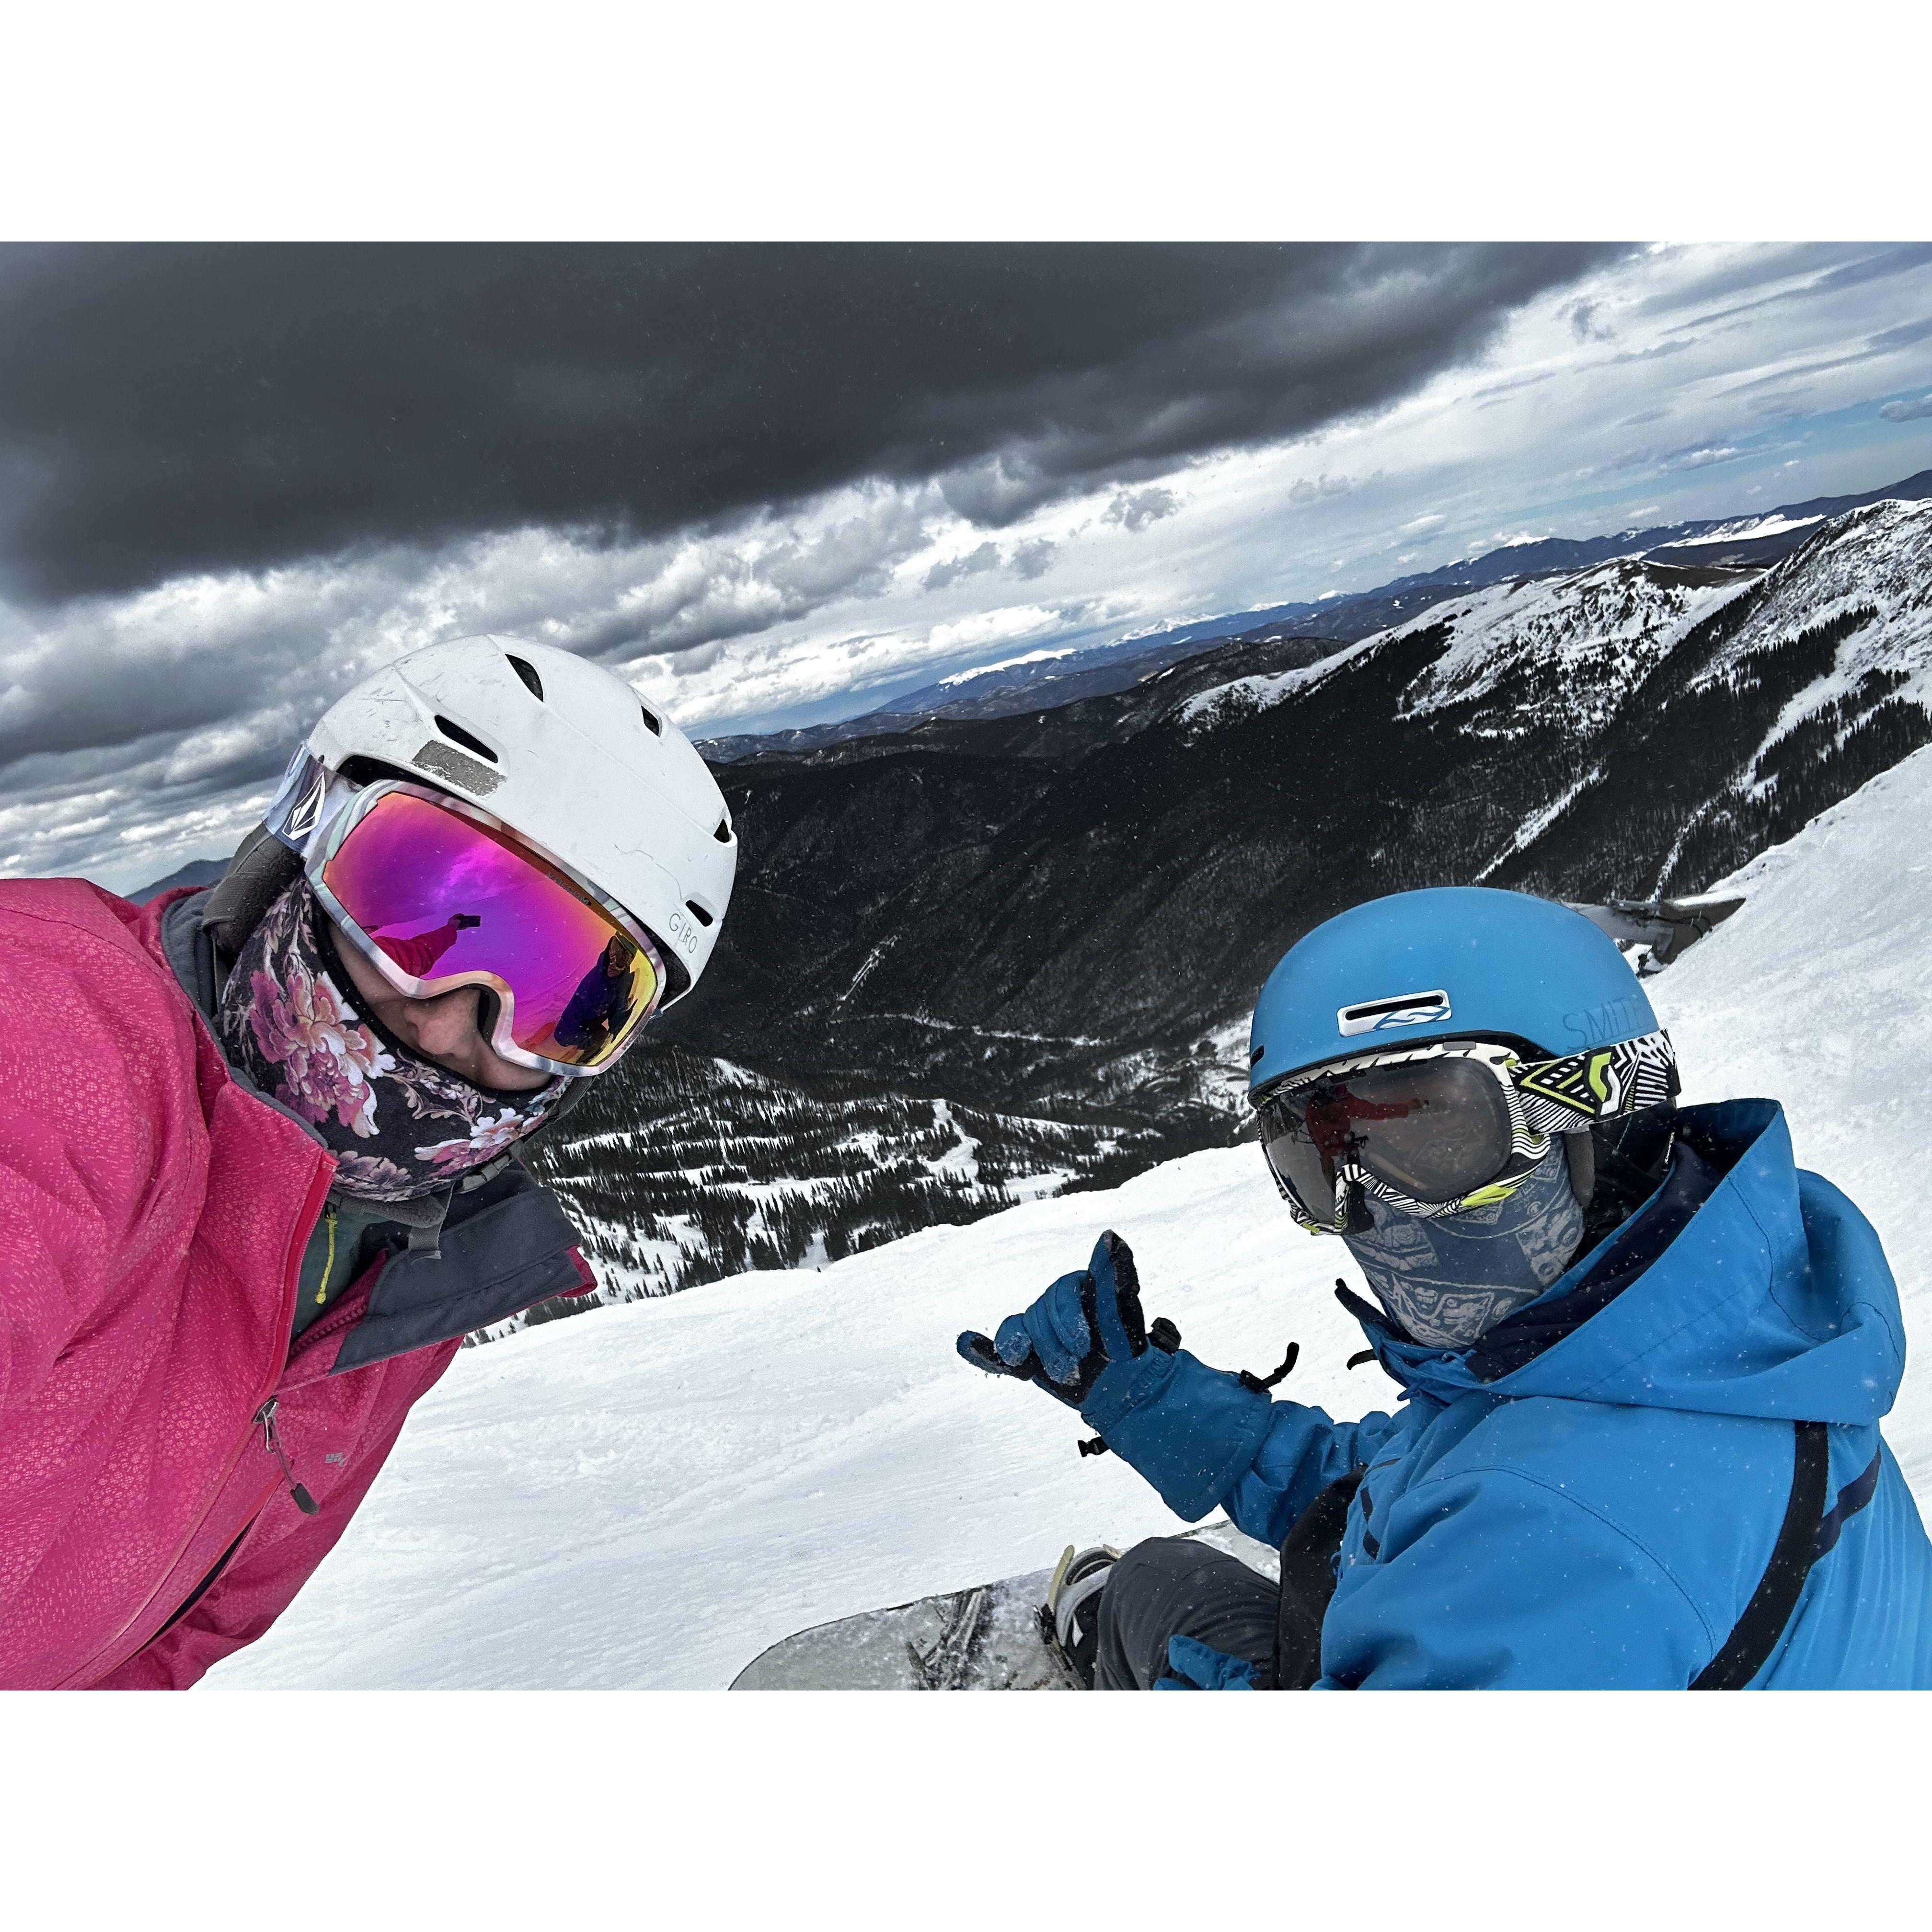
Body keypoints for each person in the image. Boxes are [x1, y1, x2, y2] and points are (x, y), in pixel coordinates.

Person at [961, 886, 1932, 1689]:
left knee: (1155, 1587)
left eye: (1433, 1135)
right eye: (1317, 1161)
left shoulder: (1559, 1539)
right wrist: (1160, 1407)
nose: (1372, 1211)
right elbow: (1417, 1481)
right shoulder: (1718, 1348)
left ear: (1601, 1112)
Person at [0, 634, 736, 1689]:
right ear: (305, 834)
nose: (447, 1023)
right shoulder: (56, 1038)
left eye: (566, 1000)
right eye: (417, 911)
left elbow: (193, 1627)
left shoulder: (404, 1292)